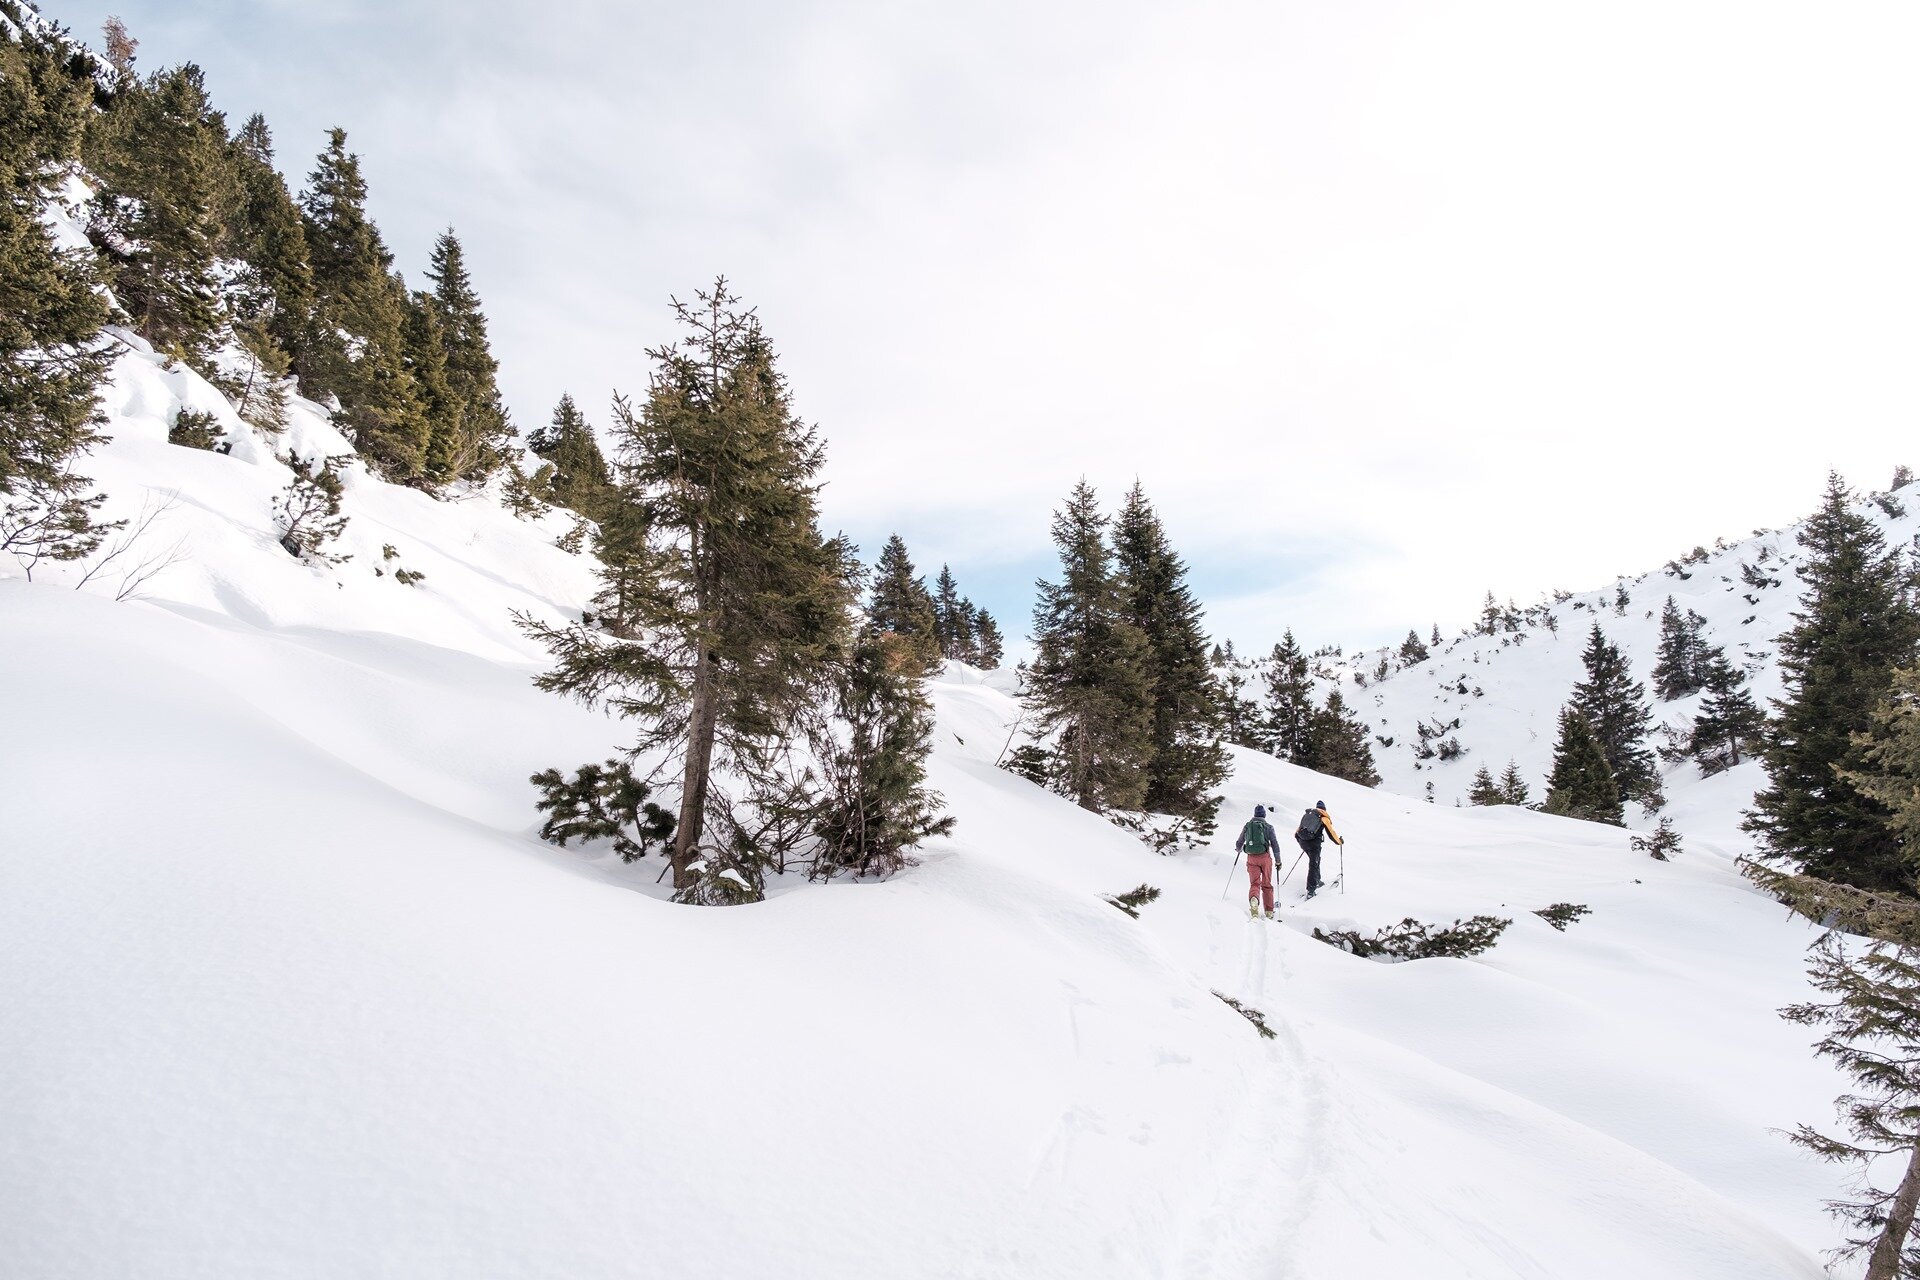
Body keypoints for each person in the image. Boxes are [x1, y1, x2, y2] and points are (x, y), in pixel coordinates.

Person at [1235, 804, 1281, 918]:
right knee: (1266, 884)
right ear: (1264, 815)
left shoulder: (1247, 826)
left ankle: (1254, 900)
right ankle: (1269, 912)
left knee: (1254, 883)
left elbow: (1239, 843)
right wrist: (1278, 860)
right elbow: (1275, 844)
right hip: (1265, 858)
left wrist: (1239, 849)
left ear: (1254, 815)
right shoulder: (1268, 827)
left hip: (1251, 858)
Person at [1295, 801, 1344, 898]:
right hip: (1314, 845)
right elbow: (1331, 834)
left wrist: (1303, 843)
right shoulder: (1323, 817)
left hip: (1303, 842)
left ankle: (1317, 880)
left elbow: (1296, 832)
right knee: (1314, 864)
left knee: (1316, 861)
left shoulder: (1309, 815)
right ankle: (1311, 890)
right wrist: (1339, 842)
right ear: (1324, 809)